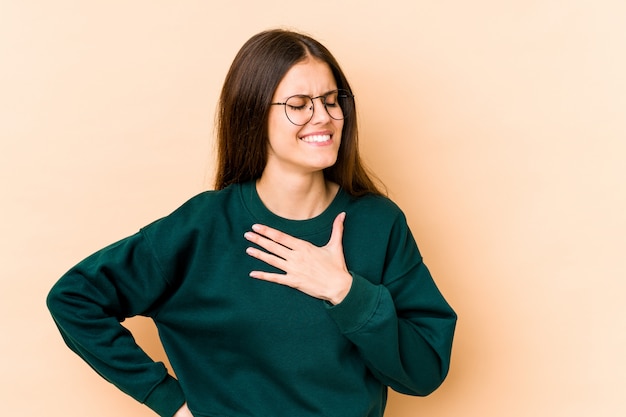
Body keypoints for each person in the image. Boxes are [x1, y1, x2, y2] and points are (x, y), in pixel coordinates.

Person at [47, 29, 457, 417]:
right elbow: (74, 297)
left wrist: (345, 290)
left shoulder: (379, 223)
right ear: (253, 114)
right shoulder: (203, 226)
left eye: (332, 100)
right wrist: (168, 399)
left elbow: (424, 373)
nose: (324, 117)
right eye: (299, 105)